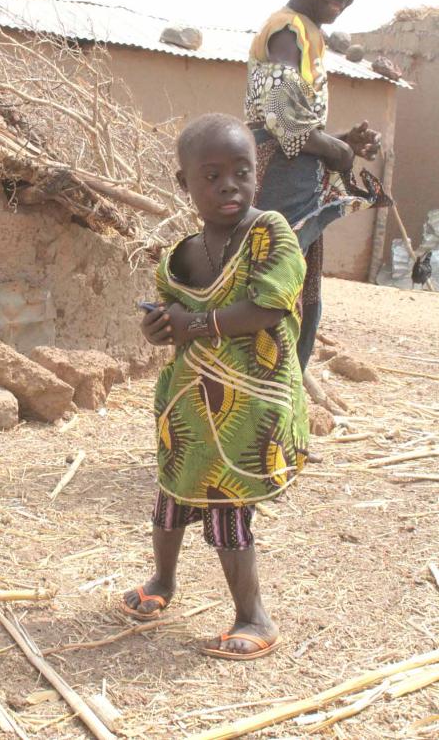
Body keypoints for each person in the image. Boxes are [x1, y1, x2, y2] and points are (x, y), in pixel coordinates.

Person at [122, 113, 308, 660]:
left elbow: (267, 307)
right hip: (187, 403)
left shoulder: (270, 233)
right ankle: (162, 583)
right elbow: (169, 318)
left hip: (250, 404)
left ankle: (255, 618)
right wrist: (158, 327)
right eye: (211, 175)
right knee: (172, 498)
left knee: (228, 509)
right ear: (184, 184)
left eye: (241, 172)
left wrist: (193, 325)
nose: (229, 184)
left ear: (257, 175)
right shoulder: (180, 253)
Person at [245, 0, 393, 369]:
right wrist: (339, 151)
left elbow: (297, 124)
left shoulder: (308, 32)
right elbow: (282, 120)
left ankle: (281, 384)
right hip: (279, 176)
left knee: (295, 286)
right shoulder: (287, 28)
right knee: (274, 281)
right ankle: (259, 381)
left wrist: (341, 140)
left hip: (295, 173)